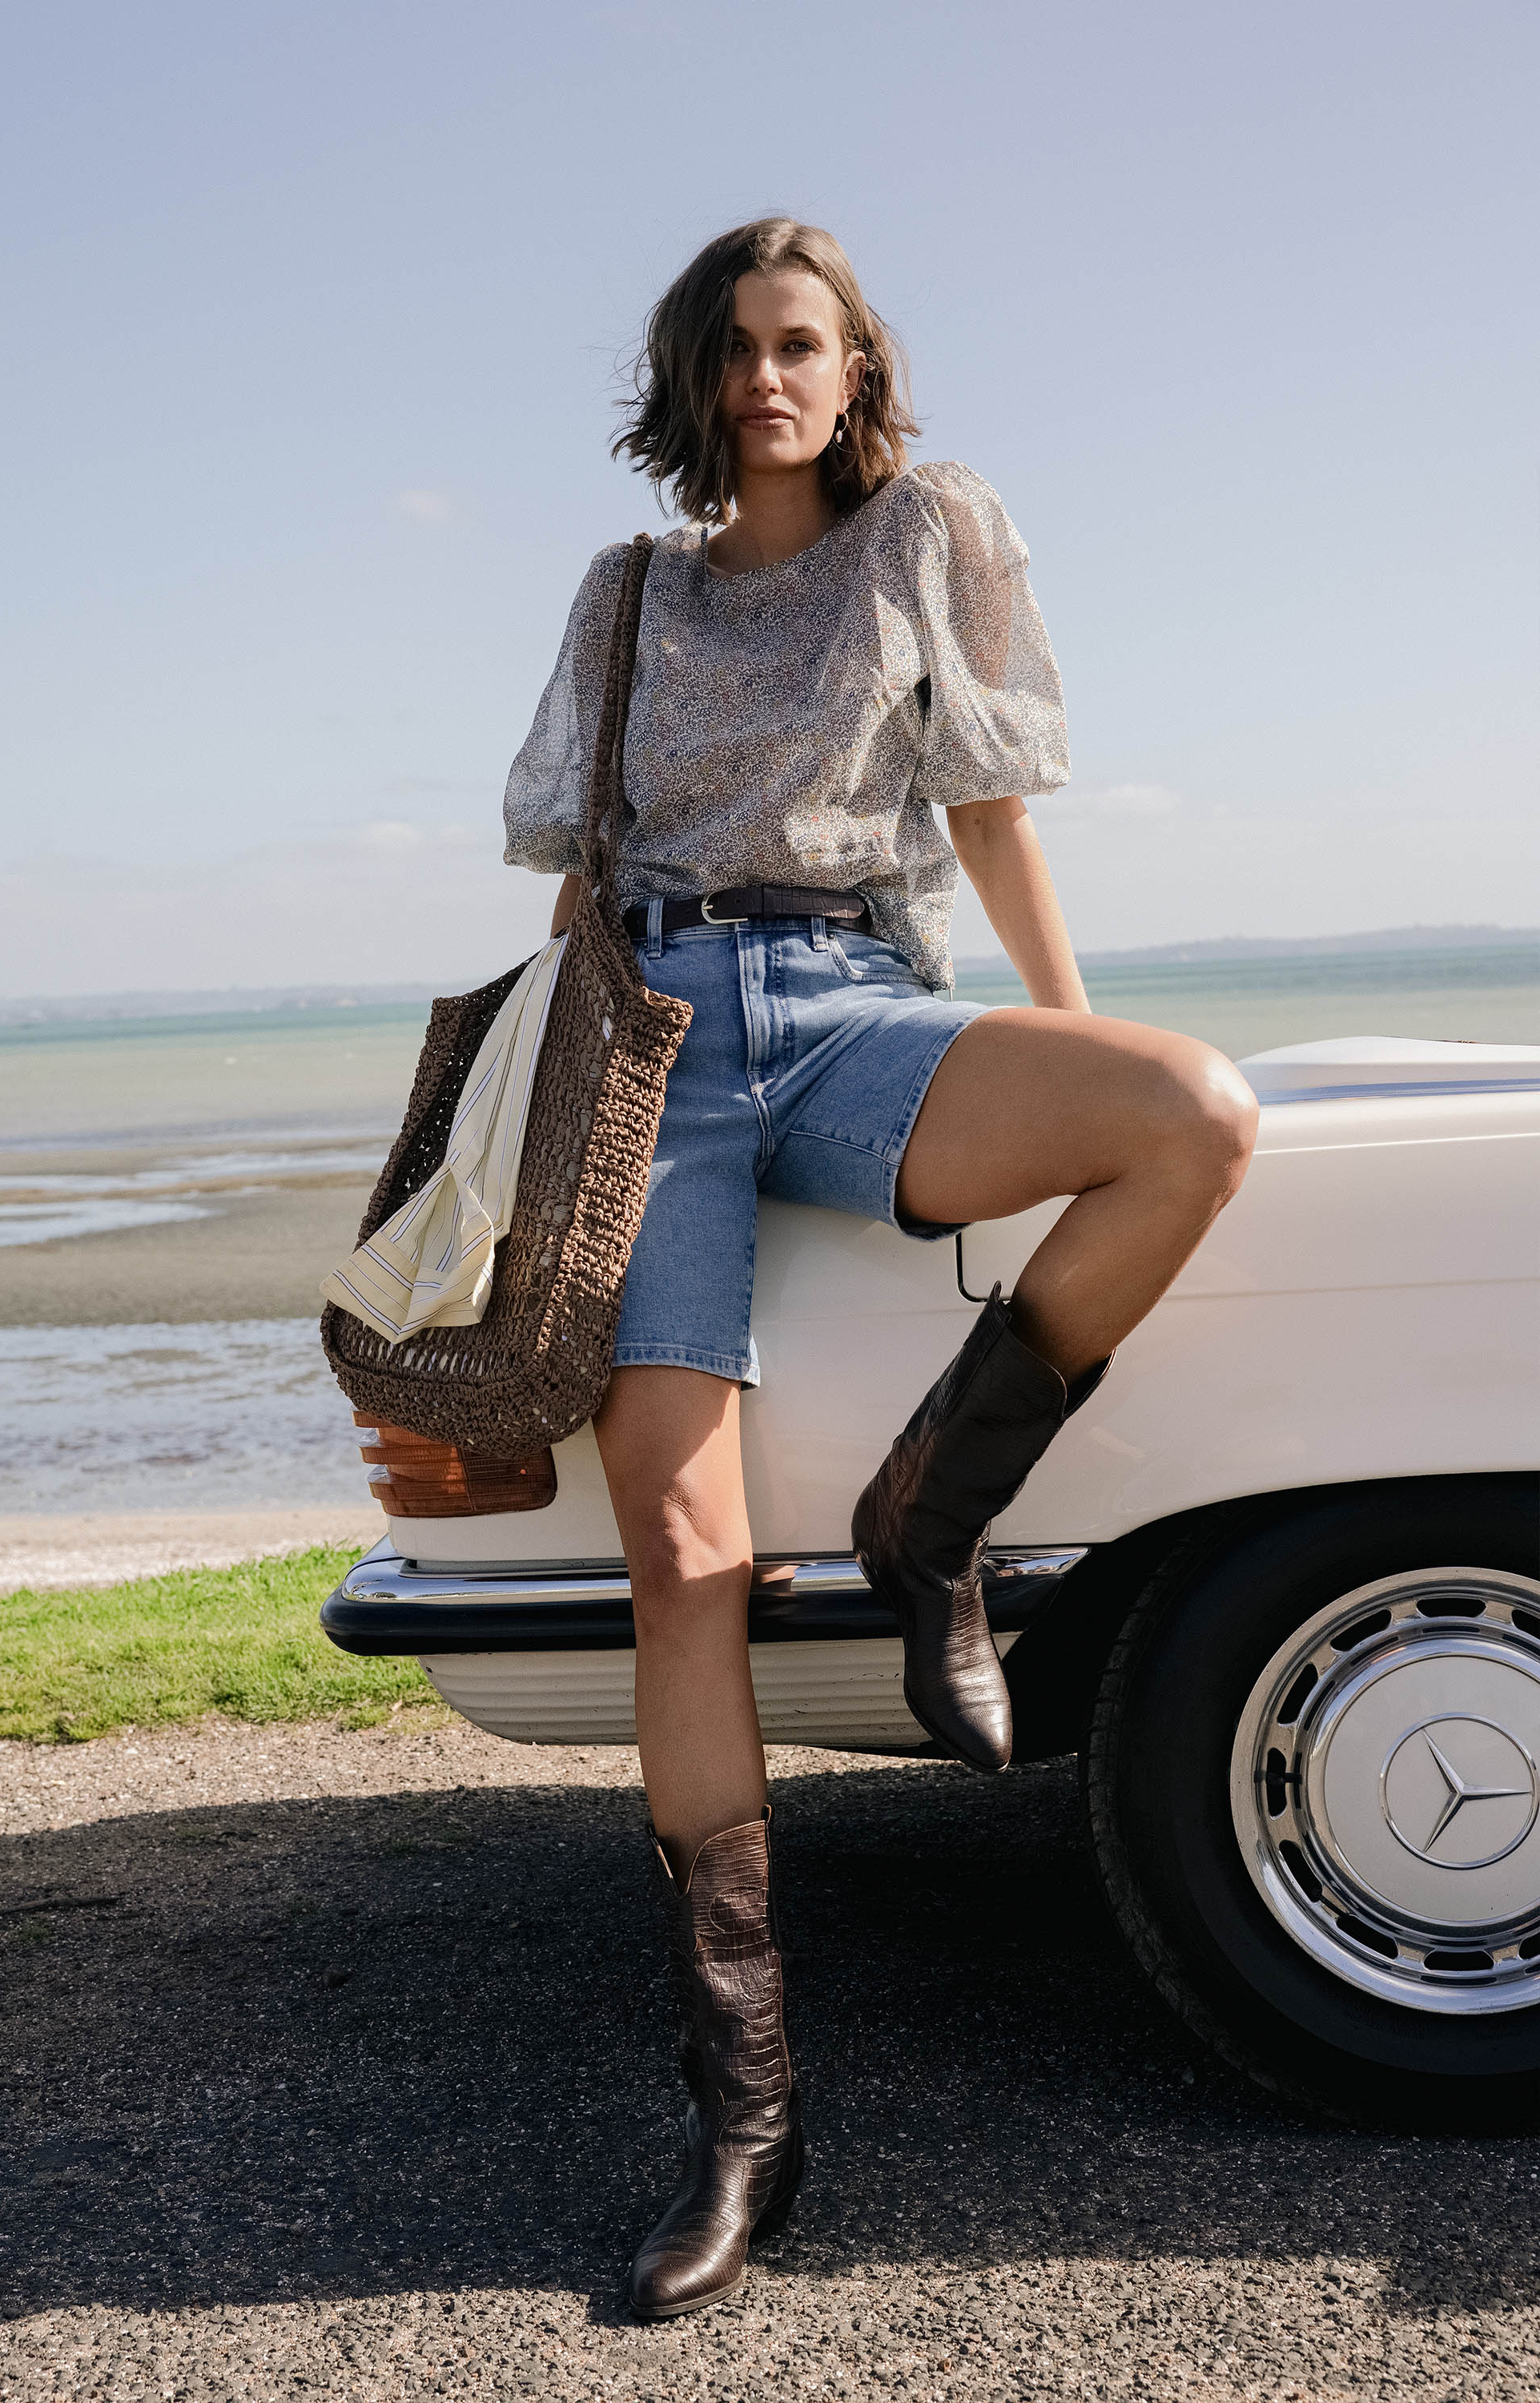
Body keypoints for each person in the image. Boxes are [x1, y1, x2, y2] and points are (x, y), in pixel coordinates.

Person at [503, 217, 1258, 2317]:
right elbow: (578, 881)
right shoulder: (626, 594)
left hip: (854, 1006)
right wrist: (551, 1119)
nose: (769, 377)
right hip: (653, 1049)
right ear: (695, 376)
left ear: (855, 370)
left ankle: (933, 1521)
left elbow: (994, 811)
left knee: (1187, 1116)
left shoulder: (931, 532)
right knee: (685, 1563)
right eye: (736, 347)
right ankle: (746, 2121)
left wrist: (1070, 1035)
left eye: (801, 343)